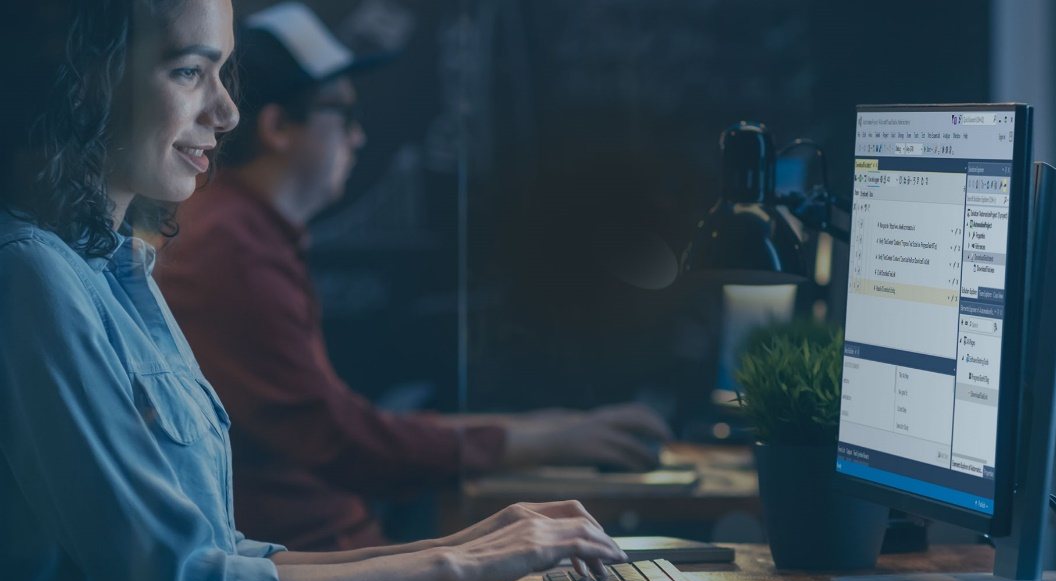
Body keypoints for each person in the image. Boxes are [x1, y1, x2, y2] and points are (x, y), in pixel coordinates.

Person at [0, 1, 626, 581]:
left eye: (223, 73)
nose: (228, 110)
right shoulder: (31, 275)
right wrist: (454, 561)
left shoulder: (121, 267)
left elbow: (219, 549)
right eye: (190, 71)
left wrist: (468, 543)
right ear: (86, 79)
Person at [153, 2, 672, 551]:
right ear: (279, 126)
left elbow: (340, 424)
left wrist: (548, 430)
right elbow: (342, 441)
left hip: (314, 555)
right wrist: (547, 438)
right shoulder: (232, 247)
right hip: (307, 567)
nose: (359, 138)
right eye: (344, 115)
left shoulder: (244, 230)